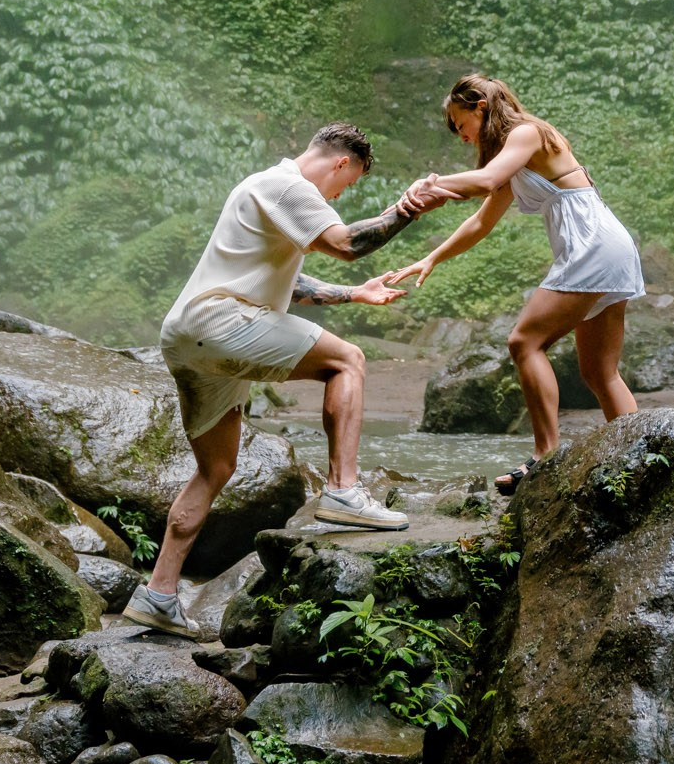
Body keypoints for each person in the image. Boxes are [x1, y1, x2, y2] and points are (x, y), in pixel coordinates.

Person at [123, 122, 446, 638]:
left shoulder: (262, 190)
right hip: (223, 322)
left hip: (187, 336)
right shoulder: (290, 185)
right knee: (348, 361)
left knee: (216, 469)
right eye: (351, 182)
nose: (343, 194)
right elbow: (346, 244)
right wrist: (406, 209)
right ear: (341, 162)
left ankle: (159, 594)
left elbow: (290, 281)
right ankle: (343, 491)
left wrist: (353, 295)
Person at [384, 74, 644, 495]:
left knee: (524, 342)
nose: (461, 136)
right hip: (604, 244)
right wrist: (431, 257)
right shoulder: (513, 154)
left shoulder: (527, 133)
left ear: (479, 108)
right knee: (599, 371)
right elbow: (481, 219)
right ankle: (638, 458)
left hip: (593, 246)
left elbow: (483, 182)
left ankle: (546, 455)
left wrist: (429, 185)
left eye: (459, 123)